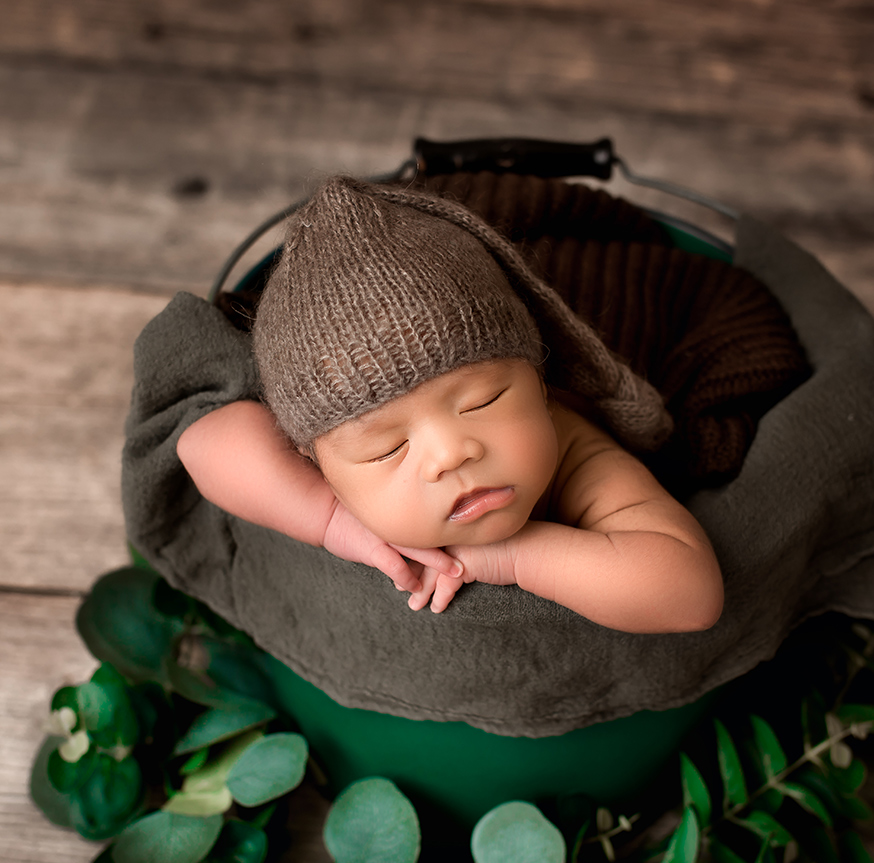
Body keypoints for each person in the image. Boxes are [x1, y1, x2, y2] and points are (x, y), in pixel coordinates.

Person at [176, 176, 723, 632]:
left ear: (539, 380)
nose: (450, 453)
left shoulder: (577, 455)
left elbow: (690, 592)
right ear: (316, 463)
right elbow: (200, 443)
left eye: (484, 400)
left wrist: (512, 556)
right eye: (385, 448)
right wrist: (334, 521)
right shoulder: (328, 483)